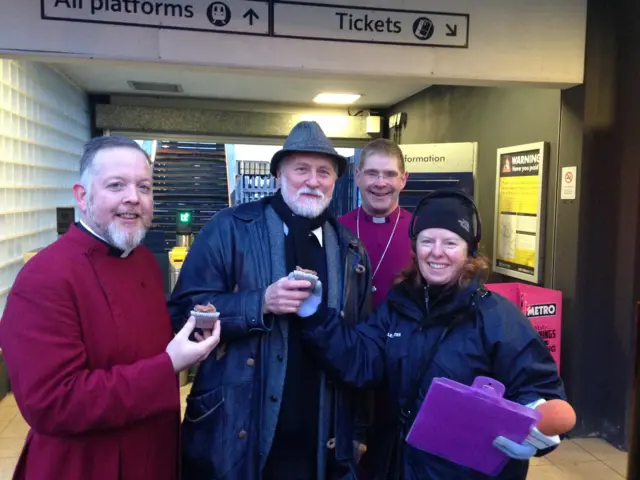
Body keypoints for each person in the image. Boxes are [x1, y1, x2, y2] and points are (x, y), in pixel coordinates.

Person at [300, 189, 566, 479]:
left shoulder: (498, 318)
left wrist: (535, 426)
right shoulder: (398, 305)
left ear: (470, 251)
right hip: (395, 466)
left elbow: (539, 391)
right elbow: (362, 361)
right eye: (427, 241)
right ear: (415, 249)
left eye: (450, 242)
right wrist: (316, 316)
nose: (436, 252)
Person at [0, 136, 220, 480]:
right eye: (116, 185)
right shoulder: (45, 276)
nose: (133, 197)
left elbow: (137, 344)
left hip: (154, 453)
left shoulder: (144, 261)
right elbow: (52, 403)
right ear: (82, 196)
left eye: (144, 187)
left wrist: (189, 337)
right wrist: (169, 365)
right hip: (86, 465)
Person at [167, 121, 373, 480]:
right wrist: (260, 302)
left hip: (321, 437)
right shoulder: (230, 228)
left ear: (335, 179)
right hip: (239, 431)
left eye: (324, 171)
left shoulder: (351, 251)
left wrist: (356, 431)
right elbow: (184, 313)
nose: (313, 180)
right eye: (301, 169)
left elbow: (361, 346)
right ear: (279, 173)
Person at [339, 139, 412, 308]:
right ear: (358, 177)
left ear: (403, 179)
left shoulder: (421, 232)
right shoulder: (337, 229)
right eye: (372, 173)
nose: (380, 183)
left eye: (390, 174)